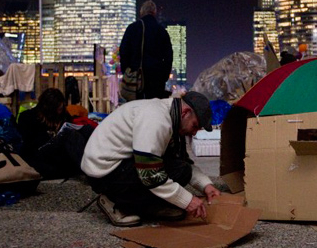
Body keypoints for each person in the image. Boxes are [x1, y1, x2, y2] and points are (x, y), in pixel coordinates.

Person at [81, 91, 221, 227]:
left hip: (120, 164)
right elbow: (150, 175)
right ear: (185, 112)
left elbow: (182, 161)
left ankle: (149, 205)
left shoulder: (172, 117)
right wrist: (188, 201)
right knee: (172, 173)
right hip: (104, 173)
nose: (195, 132)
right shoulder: (156, 120)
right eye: (195, 125)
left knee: (182, 170)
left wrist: (206, 185)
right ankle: (115, 202)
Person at [17, 88, 93, 180]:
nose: (59, 111)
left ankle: (88, 166)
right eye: (57, 109)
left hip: (59, 154)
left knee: (85, 130)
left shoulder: (63, 115)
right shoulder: (28, 117)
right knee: (50, 169)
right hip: (40, 154)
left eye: (61, 108)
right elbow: (30, 145)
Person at [120, 0, 173, 100]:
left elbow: (123, 51)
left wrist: (127, 71)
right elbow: (168, 57)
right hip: (156, 80)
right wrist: (163, 77)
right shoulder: (162, 31)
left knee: (135, 110)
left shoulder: (132, 28)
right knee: (153, 110)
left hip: (136, 79)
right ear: (154, 12)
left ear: (141, 12)